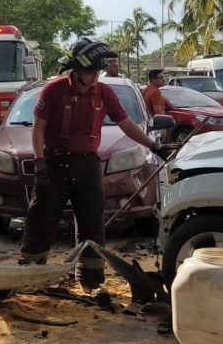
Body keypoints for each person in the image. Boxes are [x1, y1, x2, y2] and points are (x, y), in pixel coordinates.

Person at [18, 37, 176, 292]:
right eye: (91, 73)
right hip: (54, 165)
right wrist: (39, 162)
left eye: (98, 73)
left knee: (92, 223)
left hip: (89, 166)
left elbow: (126, 124)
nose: (95, 78)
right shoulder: (54, 90)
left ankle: (91, 280)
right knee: (42, 220)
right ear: (76, 70)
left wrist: (153, 146)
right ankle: (29, 276)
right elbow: (38, 128)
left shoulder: (104, 93)